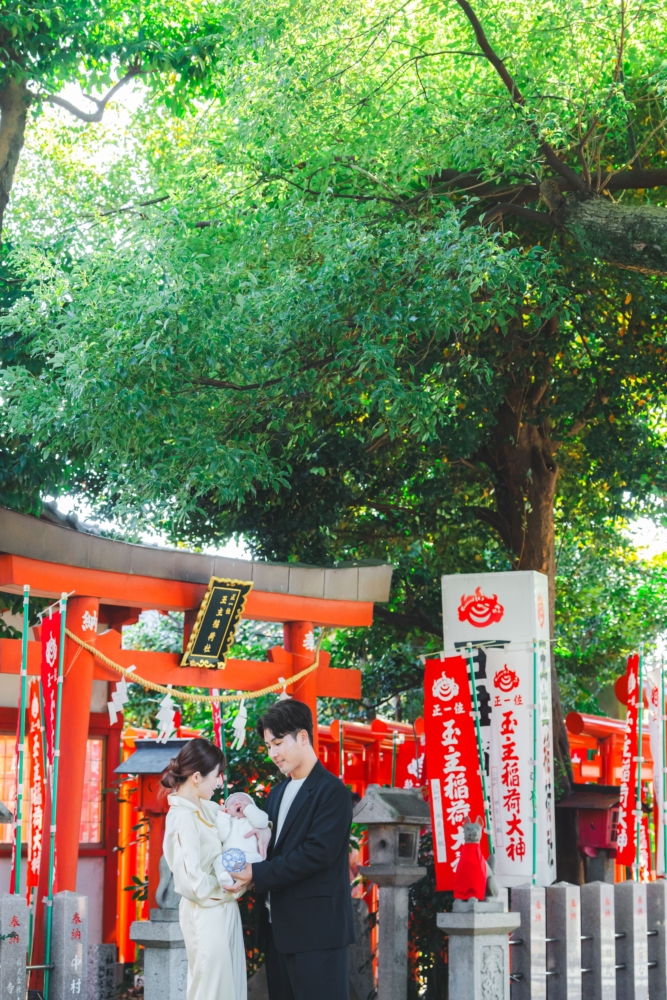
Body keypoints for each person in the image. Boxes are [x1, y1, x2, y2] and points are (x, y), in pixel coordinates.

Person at [229, 699, 355, 1000]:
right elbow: (271, 849)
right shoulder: (277, 793)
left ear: (302, 737)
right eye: (268, 746)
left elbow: (317, 854)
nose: (273, 753)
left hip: (317, 934)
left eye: (278, 743)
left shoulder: (332, 791)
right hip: (278, 931)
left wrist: (255, 872)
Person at [162, 737, 247, 1000]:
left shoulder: (208, 809)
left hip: (226, 909)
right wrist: (234, 890)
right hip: (205, 913)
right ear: (197, 777)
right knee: (212, 990)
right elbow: (192, 884)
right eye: (216, 775)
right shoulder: (182, 818)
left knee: (231, 988)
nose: (220, 782)